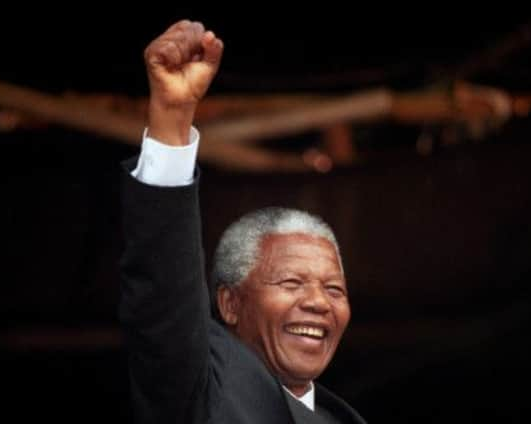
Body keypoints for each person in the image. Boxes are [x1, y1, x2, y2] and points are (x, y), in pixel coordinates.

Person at [119, 19, 366, 423]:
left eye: (335, 290)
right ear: (230, 304)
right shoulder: (204, 393)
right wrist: (172, 118)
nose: (319, 303)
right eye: (291, 283)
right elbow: (163, 299)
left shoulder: (340, 417)